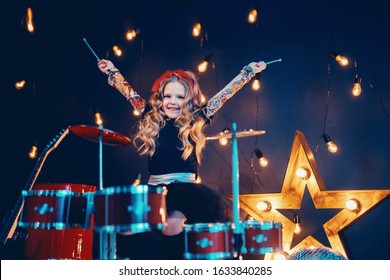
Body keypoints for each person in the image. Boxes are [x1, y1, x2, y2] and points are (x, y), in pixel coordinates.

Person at [97, 58, 267, 259]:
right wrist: (112, 71)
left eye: (179, 97)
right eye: (167, 96)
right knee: (126, 227)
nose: (172, 102)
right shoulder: (150, 115)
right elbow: (128, 92)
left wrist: (247, 72)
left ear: (188, 100)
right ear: (160, 99)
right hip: (156, 188)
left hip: (183, 189)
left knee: (173, 223)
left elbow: (223, 96)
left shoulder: (196, 118)